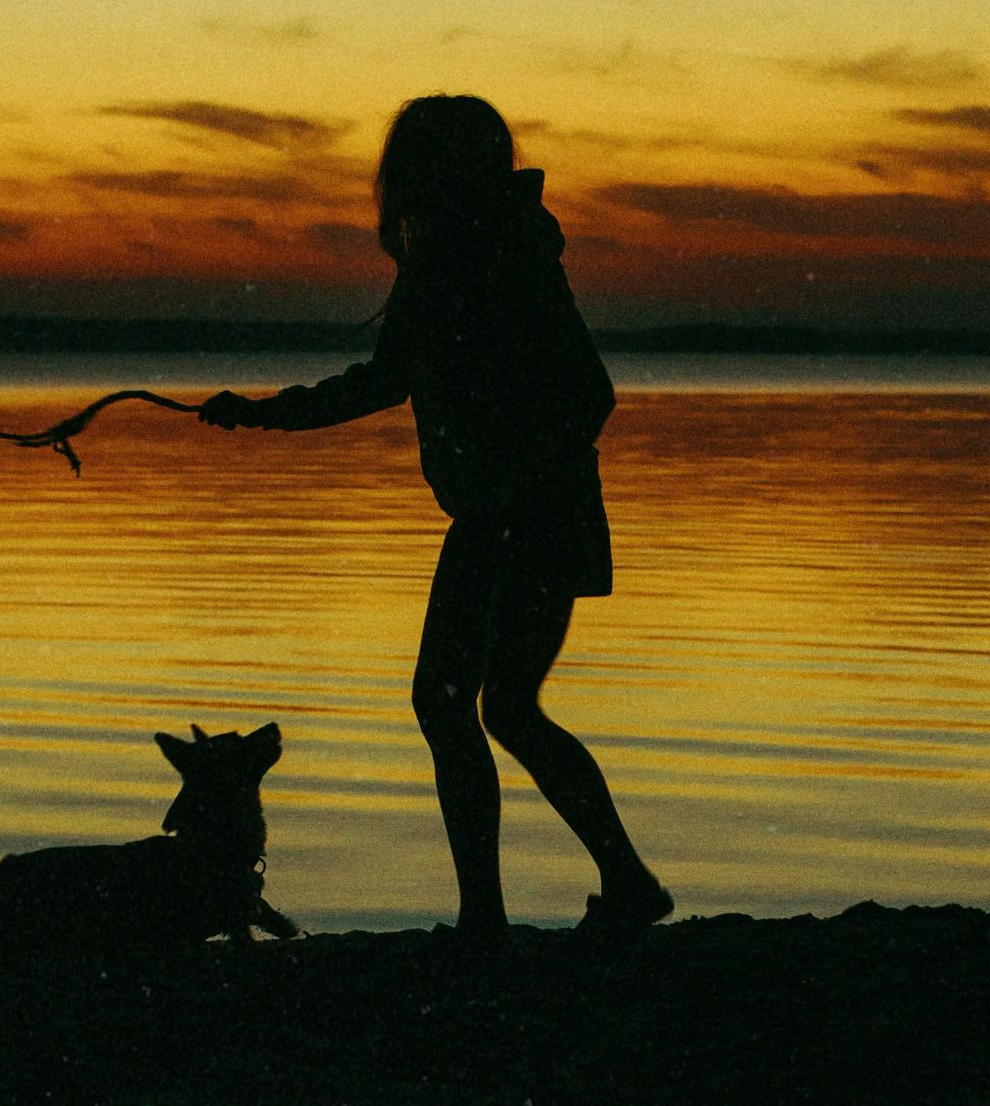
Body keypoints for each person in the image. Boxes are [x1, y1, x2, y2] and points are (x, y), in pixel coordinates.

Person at [201, 93, 673, 947]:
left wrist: (514, 486)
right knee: (498, 708)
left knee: (458, 703)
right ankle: (610, 887)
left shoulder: (489, 255)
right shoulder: (473, 253)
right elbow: (389, 381)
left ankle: (500, 915)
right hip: (523, 512)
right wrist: (268, 415)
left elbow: (587, 393)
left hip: (521, 517)